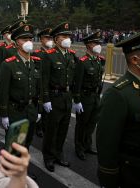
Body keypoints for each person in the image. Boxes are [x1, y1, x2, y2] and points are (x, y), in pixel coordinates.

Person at [97, 23, 140, 188]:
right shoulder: (119, 93)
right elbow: (107, 144)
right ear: (135, 59)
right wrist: (109, 178)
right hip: (132, 173)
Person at [42, 22, 79, 172]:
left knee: (63, 128)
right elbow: (44, 80)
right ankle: (48, 157)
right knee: (52, 129)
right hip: (54, 96)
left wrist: (76, 98)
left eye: (68, 36)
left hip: (67, 97)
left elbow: (73, 78)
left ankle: (58, 153)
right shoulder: (49, 56)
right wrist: (45, 99)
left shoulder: (71, 55)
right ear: (56, 39)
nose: (67, 39)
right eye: (64, 36)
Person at [0, 23, 41, 150]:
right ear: (16, 43)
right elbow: (3, 91)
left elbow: (39, 88)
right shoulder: (8, 65)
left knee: (26, 144)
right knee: (14, 147)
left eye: (30, 39)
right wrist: (4, 114)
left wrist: (38, 110)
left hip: (31, 111)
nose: (28, 42)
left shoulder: (36, 62)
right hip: (15, 112)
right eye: (24, 39)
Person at [73, 31, 105, 160]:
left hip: (96, 96)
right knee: (82, 123)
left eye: (99, 43)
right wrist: (77, 100)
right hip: (85, 97)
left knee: (92, 123)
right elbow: (77, 83)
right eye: (95, 43)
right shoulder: (83, 62)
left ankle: (87, 145)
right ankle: (79, 147)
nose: (98, 45)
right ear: (88, 45)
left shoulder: (98, 60)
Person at [32, 27, 54, 138]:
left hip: (51, 85)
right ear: (41, 39)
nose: (49, 40)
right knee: (40, 106)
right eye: (47, 38)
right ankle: (39, 127)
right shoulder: (36, 54)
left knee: (49, 108)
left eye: (51, 38)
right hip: (40, 85)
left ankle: (47, 125)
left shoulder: (54, 53)